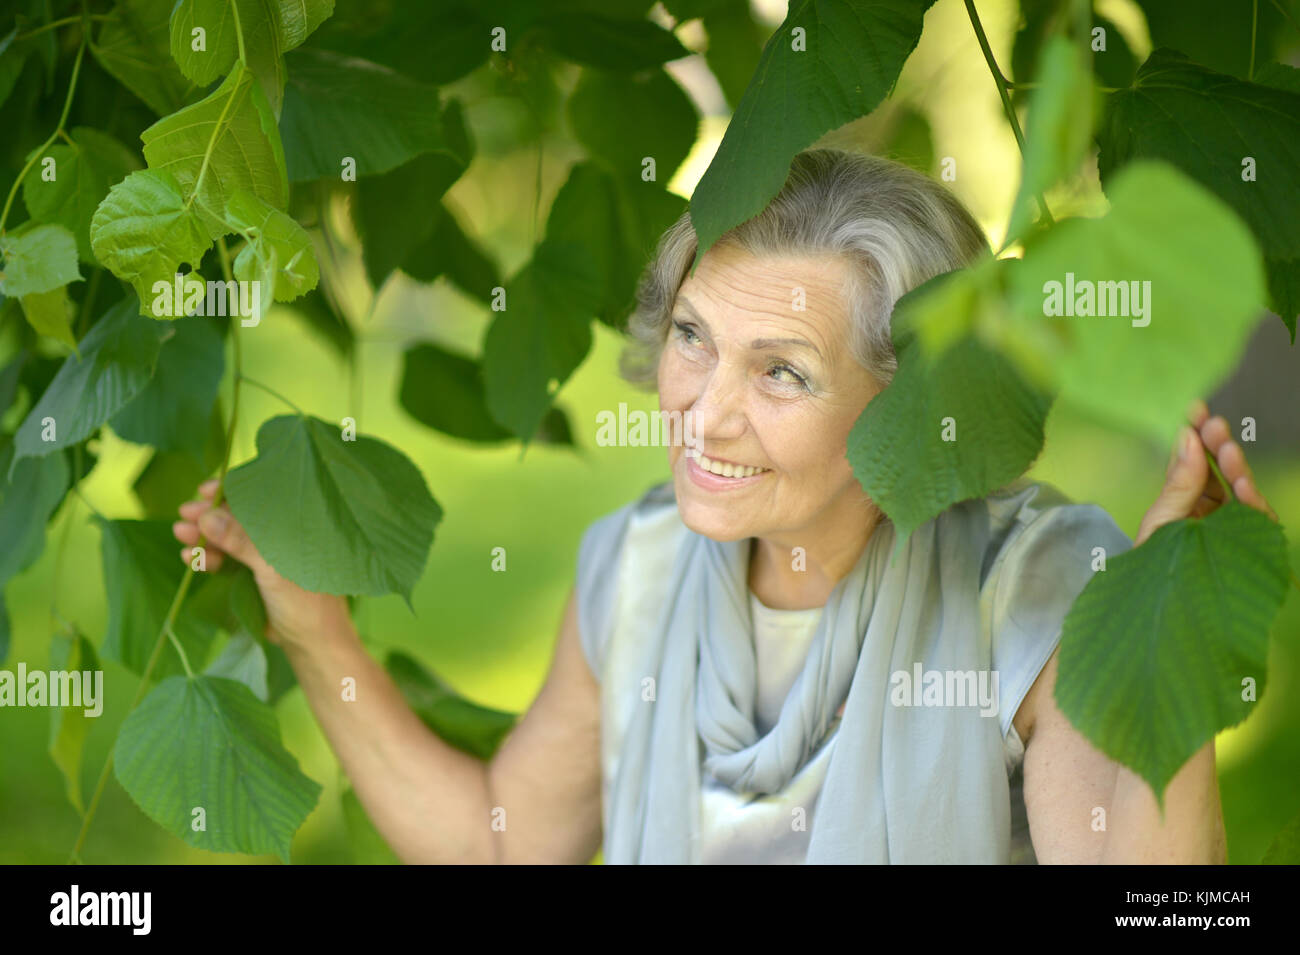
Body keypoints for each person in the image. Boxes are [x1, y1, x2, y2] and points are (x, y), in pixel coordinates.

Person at [174, 148, 1277, 864]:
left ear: (911, 399)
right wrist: (314, 629)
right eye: (694, 338)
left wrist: (1160, 633)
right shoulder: (640, 563)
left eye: (782, 372)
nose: (702, 418)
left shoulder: (1029, 582)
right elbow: (505, 846)